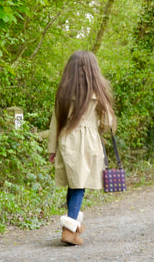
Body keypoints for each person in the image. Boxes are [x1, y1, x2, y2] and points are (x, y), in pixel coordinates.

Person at [48, 50, 117, 246]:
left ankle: (71, 226)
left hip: (67, 140)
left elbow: (55, 122)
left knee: (74, 182)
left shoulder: (63, 94)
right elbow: (107, 123)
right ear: (93, 71)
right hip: (87, 142)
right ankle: (69, 231)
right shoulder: (98, 94)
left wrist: (52, 149)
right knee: (79, 184)